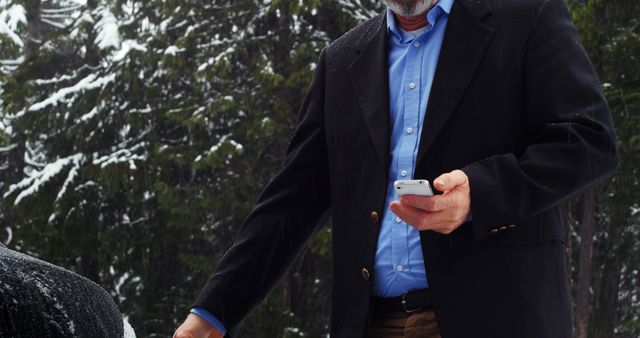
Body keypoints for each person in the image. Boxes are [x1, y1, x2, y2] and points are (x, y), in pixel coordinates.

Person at [174, 0, 619, 336]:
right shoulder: (341, 61)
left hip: (496, 318)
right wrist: (212, 313)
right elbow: (291, 201)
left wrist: (479, 195)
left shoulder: (528, 16)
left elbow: (589, 139)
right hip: (371, 324)